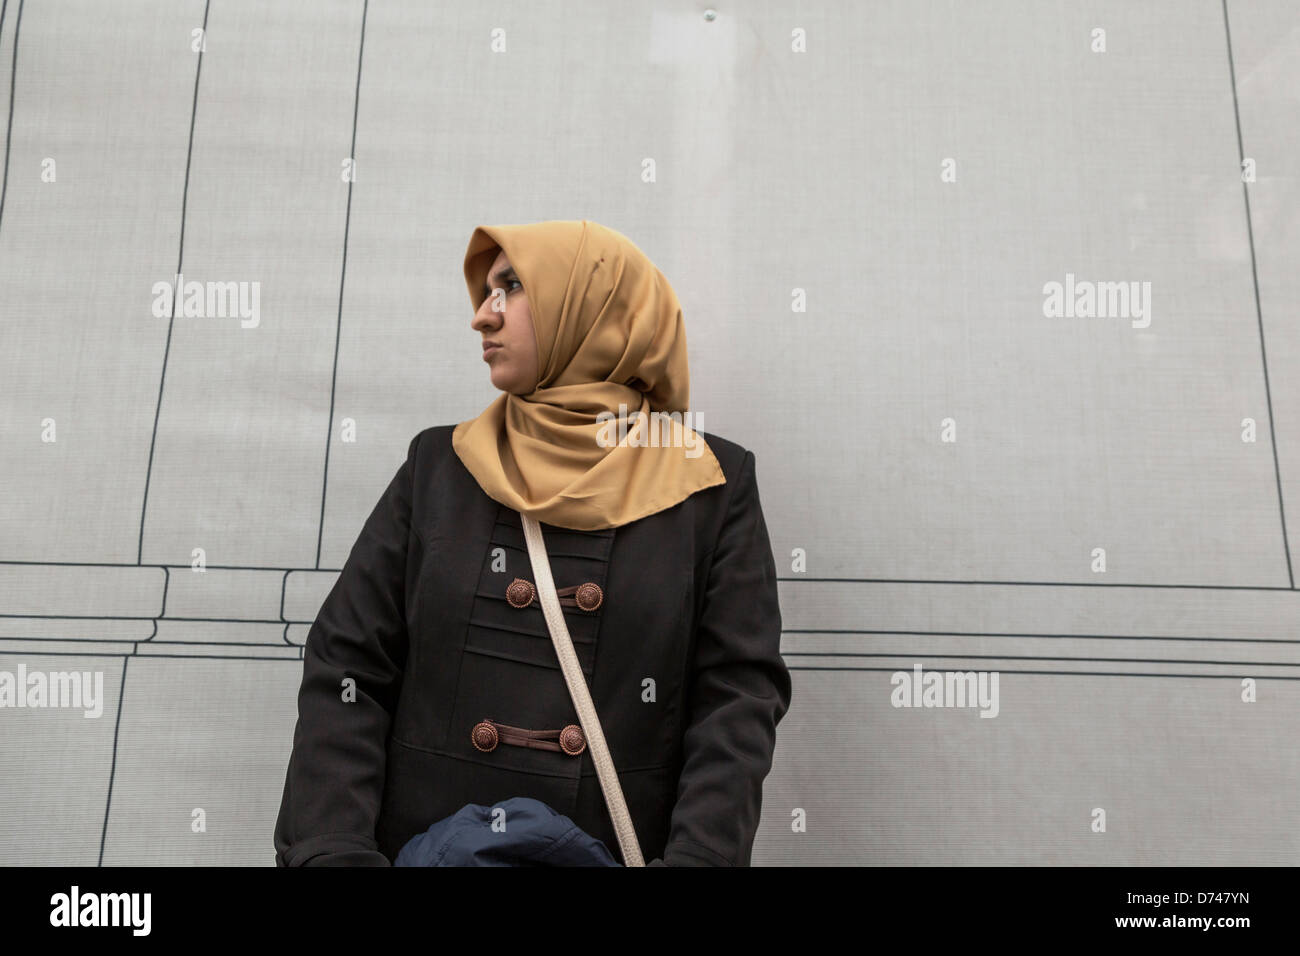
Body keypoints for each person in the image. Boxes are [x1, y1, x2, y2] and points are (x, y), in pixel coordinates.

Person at [273, 219, 792, 866]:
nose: (482, 318)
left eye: (511, 288)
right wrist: (333, 856)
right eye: (485, 292)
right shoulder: (440, 466)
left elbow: (735, 704)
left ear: (591, 308)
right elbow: (345, 666)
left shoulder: (709, 486)